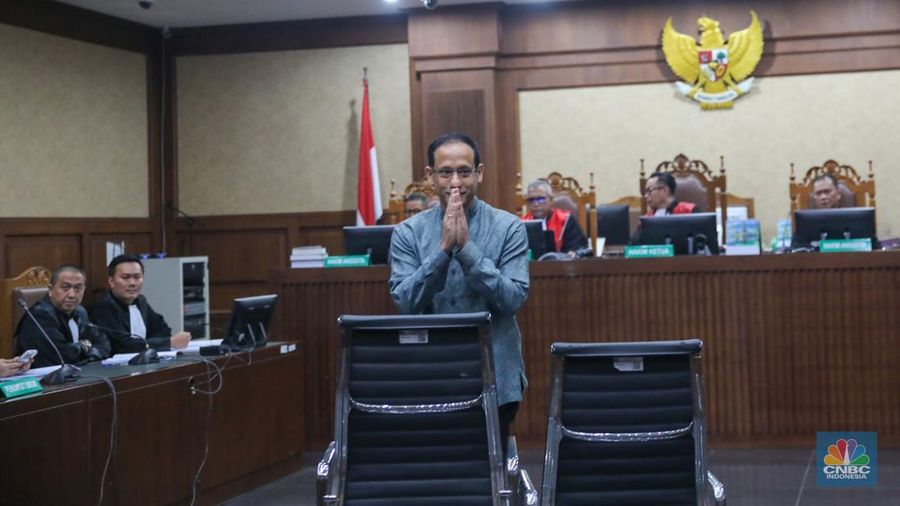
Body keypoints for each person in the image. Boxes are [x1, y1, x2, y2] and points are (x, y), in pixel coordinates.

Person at [389, 132, 530, 443]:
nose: (456, 182)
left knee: (492, 470)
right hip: (430, 373)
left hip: (495, 372)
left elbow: (513, 299)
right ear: (430, 176)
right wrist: (442, 251)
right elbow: (405, 301)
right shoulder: (407, 233)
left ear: (479, 173)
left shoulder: (509, 227)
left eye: (464, 172)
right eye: (445, 172)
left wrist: (467, 250)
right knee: (437, 470)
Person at [91, 255, 191, 354]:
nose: (132, 283)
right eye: (125, 277)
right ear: (111, 281)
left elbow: (163, 330)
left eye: (137, 277)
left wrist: (148, 344)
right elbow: (121, 345)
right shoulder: (105, 307)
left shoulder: (140, 301)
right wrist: (166, 343)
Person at [15, 265, 111, 368]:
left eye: (78, 288)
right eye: (65, 288)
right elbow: (61, 356)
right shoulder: (39, 316)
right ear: (50, 290)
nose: (72, 295)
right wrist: (85, 345)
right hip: (44, 380)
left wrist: (83, 352)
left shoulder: (80, 312)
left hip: (80, 375)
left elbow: (104, 344)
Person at [522, 179, 589, 257]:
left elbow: (580, 247)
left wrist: (573, 253)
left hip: (561, 266)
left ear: (551, 200)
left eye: (541, 199)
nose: (536, 204)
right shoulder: (522, 223)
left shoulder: (565, 219)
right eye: (531, 200)